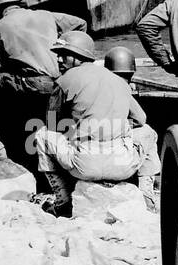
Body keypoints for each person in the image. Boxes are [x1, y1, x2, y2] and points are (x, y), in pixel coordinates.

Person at [32, 32, 161, 216]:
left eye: (63, 54)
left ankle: (63, 201)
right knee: (148, 132)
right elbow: (141, 119)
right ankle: (147, 197)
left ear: (78, 57)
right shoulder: (118, 80)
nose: (59, 59)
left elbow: (53, 124)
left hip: (83, 166)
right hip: (123, 164)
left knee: (42, 134)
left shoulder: (64, 81)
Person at [0, 0, 77, 164]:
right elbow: (80, 25)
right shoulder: (46, 15)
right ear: (19, 0)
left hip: (31, 83)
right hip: (58, 81)